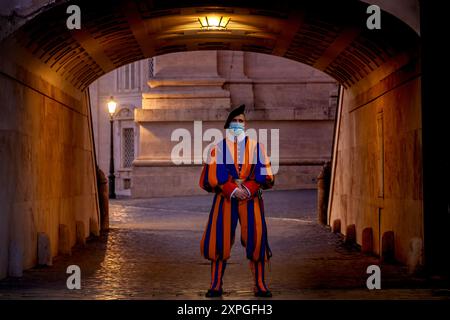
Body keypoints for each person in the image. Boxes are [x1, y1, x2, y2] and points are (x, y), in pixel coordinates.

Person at [199, 104, 275, 298]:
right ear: (228, 125)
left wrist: (248, 189)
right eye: (235, 121)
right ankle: (215, 284)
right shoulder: (217, 148)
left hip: (251, 199)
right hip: (225, 199)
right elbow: (214, 175)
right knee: (219, 239)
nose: (238, 124)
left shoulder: (258, 147)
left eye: (241, 121)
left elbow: (263, 173)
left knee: (257, 239)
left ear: (245, 124)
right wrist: (232, 190)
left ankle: (260, 284)